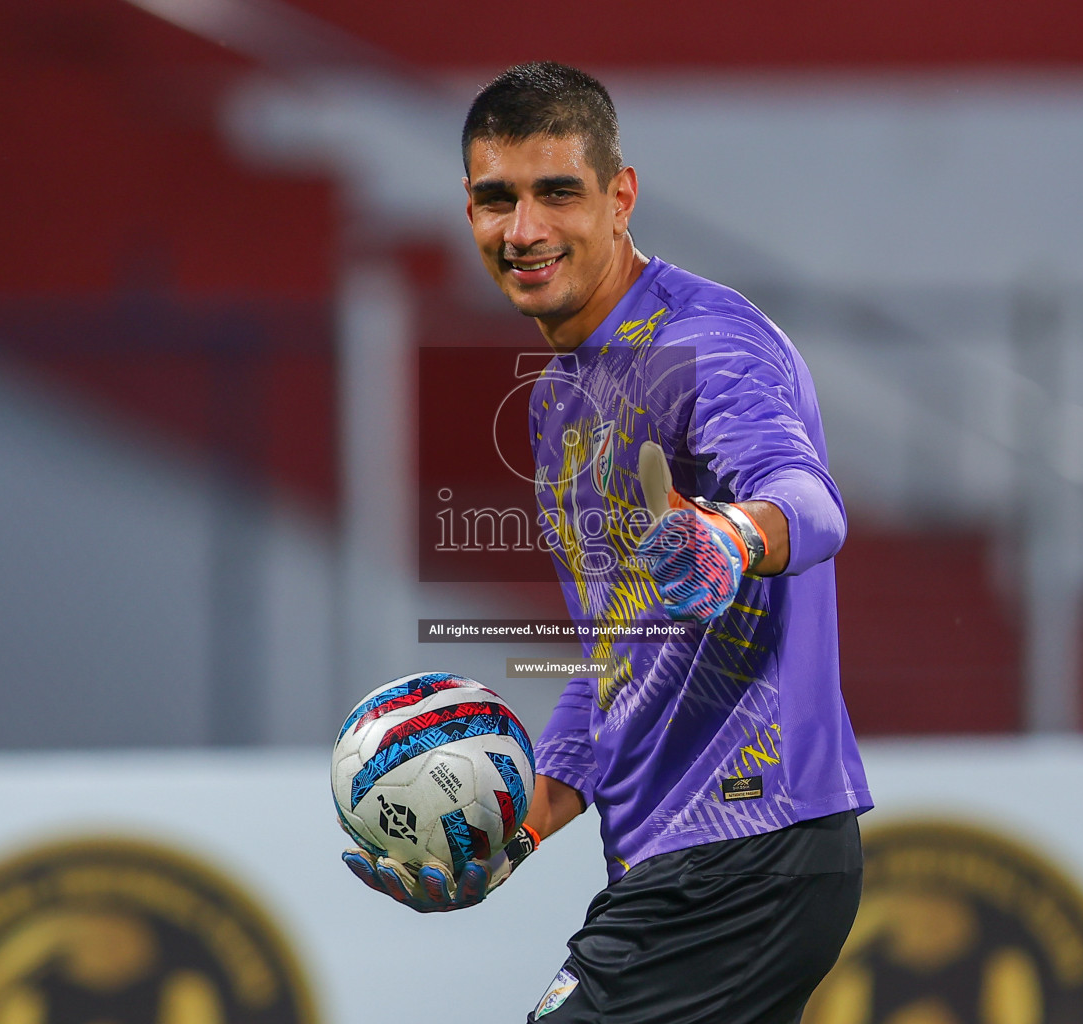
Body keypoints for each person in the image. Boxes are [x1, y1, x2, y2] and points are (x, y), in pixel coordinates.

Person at [343, 62, 871, 1024]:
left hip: (744, 853)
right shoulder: (558, 396)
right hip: (690, 860)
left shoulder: (707, 342)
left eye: (557, 194)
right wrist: (521, 828)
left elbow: (811, 502)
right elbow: (618, 657)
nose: (524, 230)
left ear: (620, 197)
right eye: (495, 200)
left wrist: (733, 536)